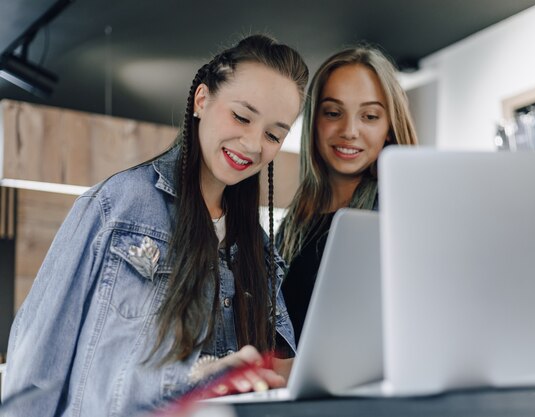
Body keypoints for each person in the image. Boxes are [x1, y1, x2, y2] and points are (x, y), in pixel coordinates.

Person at [2, 34, 308, 416]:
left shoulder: (261, 253)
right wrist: (200, 378)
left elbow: (284, 381)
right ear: (202, 101)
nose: (252, 143)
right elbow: (33, 380)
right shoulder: (116, 206)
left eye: (273, 134)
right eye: (242, 117)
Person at [277, 46, 418, 344]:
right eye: (333, 113)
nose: (349, 130)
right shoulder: (291, 226)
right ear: (314, 122)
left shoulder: (402, 216)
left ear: (389, 128)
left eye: (369, 116)